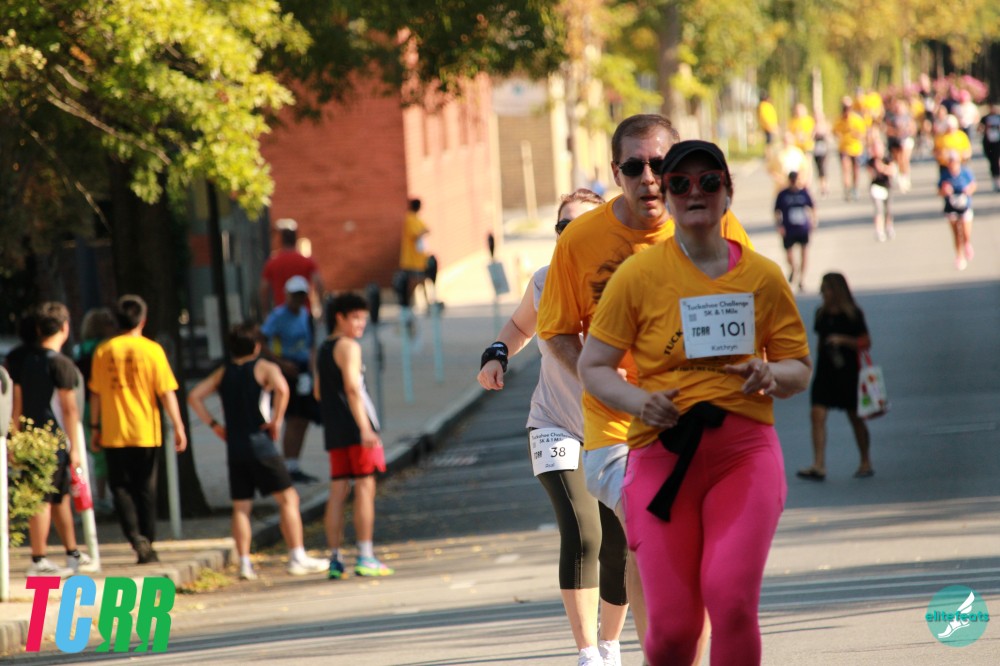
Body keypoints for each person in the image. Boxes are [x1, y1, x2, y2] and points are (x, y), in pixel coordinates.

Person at [578, 140, 812, 665]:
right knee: (672, 633)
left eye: (709, 182)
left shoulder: (762, 276)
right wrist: (640, 402)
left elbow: (799, 368)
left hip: (743, 455)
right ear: (667, 194)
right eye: (680, 184)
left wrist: (769, 373)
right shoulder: (638, 277)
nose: (694, 193)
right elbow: (592, 367)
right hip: (663, 456)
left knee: (730, 599)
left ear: (727, 192)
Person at [536, 114, 753, 662]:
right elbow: (554, 328)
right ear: (616, 173)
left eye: (660, 164)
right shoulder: (581, 241)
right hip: (618, 428)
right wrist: (596, 374)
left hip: (700, 416)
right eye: (634, 167)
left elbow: (748, 308)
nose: (649, 178)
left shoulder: (717, 223)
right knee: (652, 525)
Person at [478, 189, 628, 666]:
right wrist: (496, 354)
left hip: (615, 428)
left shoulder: (629, 278)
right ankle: (587, 654)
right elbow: (520, 327)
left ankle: (610, 644)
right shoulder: (544, 281)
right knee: (583, 533)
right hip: (555, 424)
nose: (571, 234)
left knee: (619, 545)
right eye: (563, 226)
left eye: (582, 225)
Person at [188, 323, 328, 580]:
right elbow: (282, 389)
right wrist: (277, 419)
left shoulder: (223, 372)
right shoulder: (264, 367)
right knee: (288, 499)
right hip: (261, 444)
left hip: (235, 446)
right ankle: (297, 555)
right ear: (256, 346)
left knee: (241, 507)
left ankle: (244, 563)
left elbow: (194, 395)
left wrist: (214, 425)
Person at [89, 295, 187, 564]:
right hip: (146, 430)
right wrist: (178, 425)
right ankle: (148, 541)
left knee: (120, 487)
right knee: (146, 489)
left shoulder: (103, 351)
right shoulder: (152, 350)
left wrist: (95, 426)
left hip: (114, 431)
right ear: (143, 320)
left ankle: (134, 537)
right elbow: (166, 392)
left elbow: (95, 393)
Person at [9, 303, 95, 577]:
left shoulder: (24, 361)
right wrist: (76, 447)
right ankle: (39, 559)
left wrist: (15, 437)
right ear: (65, 328)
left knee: (59, 497)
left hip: (30, 438)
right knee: (45, 499)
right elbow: (69, 409)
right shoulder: (61, 364)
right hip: (54, 439)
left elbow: (17, 403)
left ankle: (72, 552)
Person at [316, 293, 394, 578]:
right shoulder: (349, 346)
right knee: (364, 487)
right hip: (357, 427)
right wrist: (364, 428)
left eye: (363, 318)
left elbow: (318, 391)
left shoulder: (324, 348)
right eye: (356, 318)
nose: (361, 324)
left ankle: (335, 559)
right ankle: (365, 555)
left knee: (338, 491)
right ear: (340, 317)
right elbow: (352, 388)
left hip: (334, 428)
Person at [798, 272, 873, 481]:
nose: (823, 293)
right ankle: (818, 464)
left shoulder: (853, 314)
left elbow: (865, 342)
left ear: (837, 291)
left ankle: (865, 460)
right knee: (817, 414)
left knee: (855, 417)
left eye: (826, 289)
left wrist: (842, 340)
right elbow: (819, 342)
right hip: (825, 371)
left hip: (848, 372)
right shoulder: (821, 313)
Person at [262, 276, 320, 483]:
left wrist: (312, 370)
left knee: (303, 418)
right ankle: (287, 464)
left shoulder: (305, 314)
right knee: (292, 417)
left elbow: (311, 345)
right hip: (286, 369)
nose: (298, 299)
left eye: (301, 295)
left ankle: (294, 464)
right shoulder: (278, 316)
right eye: (295, 295)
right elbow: (262, 341)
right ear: (287, 295)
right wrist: (280, 363)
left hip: (303, 370)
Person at [74, 307, 118, 515]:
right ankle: (102, 497)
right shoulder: (106, 348)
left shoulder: (80, 349)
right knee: (103, 454)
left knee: (93, 452)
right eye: (110, 323)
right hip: (101, 405)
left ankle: (98, 497)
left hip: (82, 405)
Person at [259, 218, 324, 318]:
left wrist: (265, 311)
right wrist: (320, 306)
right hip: (304, 312)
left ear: (281, 240)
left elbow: (264, 289)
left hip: (281, 313)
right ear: (295, 239)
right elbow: (319, 283)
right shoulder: (307, 261)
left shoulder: (272, 262)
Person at [774, 171, 817, 292]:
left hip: (802, 227)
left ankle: (801, 279)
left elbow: (812, 206)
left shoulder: (804, 192)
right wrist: (779, 225)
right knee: (789, 254)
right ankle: (793, 268)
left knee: (804, 253)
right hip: (789, 228)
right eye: (792, 180)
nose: (794, 183)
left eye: (795, 180)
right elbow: (777, 211)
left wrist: (813, 221)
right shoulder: (783, 194)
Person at [937, 151, 977, 271]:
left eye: (954, 161)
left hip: (965, 205)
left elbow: (974, 185)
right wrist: (945, 191)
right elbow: (939, 191)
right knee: (956, 233)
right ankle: (959, 256)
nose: (952, 164)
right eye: (950, 161)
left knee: (965, 231)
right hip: (951, 206)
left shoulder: (965, 172)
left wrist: (968, 190)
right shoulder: (945, 175)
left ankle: (967, 244)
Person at [399, 198, 433, 310]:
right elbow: (416, 234)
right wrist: (423, 231)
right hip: (411, 260)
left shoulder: (416, 218)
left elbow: (426, 229)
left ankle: (427, 304)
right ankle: (406, 304)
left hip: (419, 259)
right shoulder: (410, 219)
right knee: (413, 282)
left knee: (422, 281)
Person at [833, 97, 866, 201]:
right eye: (844, 108)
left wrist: (856, 134)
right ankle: (847, 189)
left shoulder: (856, 119)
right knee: (845, 168)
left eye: (847, 108)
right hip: (844, 148)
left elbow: (862, 133)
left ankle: (855, 188)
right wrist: (838, 135)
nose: (846, 110)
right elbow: (834, 131)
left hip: (855, 148)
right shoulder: (839, 120)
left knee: (855, 169)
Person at [866, 140, 897, 242]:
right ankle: (879, 230)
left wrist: (882, 168)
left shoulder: (888, 159)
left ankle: (889, 227)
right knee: (878, 210)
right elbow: (871, 175)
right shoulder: (871, 161)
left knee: (888, 210)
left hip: (887, 186)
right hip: (876, 187)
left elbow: (893, 171)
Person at [884, 97, 915, 192]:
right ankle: (901, 177)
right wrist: (896, 132)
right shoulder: (891, 117)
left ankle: (906, 177)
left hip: (906, 139)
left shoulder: (908, 116)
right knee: (898, 160)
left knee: (904, 159)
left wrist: (906, 131)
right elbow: (888, 130)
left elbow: (913, 128)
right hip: (896, 140)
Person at [978, 102, 1000, 192]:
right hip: (989, 142)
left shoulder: (998, 117)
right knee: (993, 161)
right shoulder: (985, 118)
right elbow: (979, 129)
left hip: (998, 142)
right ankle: (996, 180)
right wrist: (986, 128)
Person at [811, 111, 831, 197]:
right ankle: (820, 185)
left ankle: (825, 186)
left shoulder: (825, 125)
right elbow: (810, 137)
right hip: (816, 150)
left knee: (823, 167)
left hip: (823, 149)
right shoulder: (812, 126)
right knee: (818, 167)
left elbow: (828, 137)